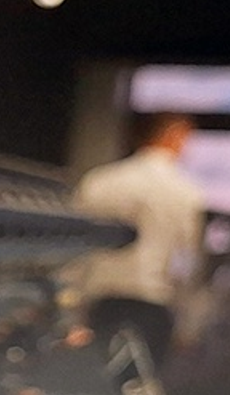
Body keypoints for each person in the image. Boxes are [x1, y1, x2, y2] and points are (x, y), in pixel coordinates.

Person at [65, 112, 205, 366]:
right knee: (140, 385)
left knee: (90, 379)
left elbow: (73, 247)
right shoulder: (185, 192)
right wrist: (189, 322)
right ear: (176, 137)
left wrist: (70, 312)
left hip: (98, 304)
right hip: (151, 306)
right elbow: (187, 260)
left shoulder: (99, 181)